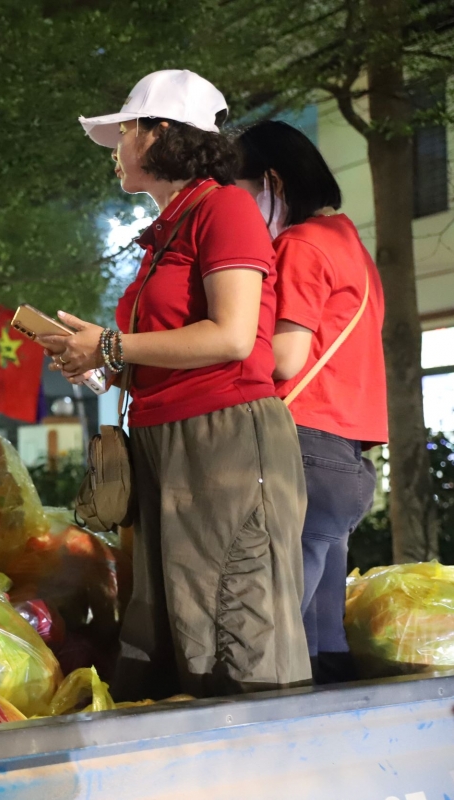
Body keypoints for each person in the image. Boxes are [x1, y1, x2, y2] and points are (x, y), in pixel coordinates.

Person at [44, 70, 310, 698]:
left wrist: (111, 346)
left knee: (235, 627)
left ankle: (255, 756)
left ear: (161, 133)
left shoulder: (225, 207)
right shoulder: (168, 227)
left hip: (224, 441)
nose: (116, 149)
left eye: (125, 132)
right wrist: (102, 361)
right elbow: (171, 344)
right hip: (162, 440)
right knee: (166, 623)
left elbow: (233, 336)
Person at [235, 121, 387, 684]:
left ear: (272, 182)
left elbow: (286, 357)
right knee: (324, 639)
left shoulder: (300, 244)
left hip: (304, 447)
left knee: (280, 639)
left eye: (243, 192)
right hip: (346, 456)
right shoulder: (352, 245)